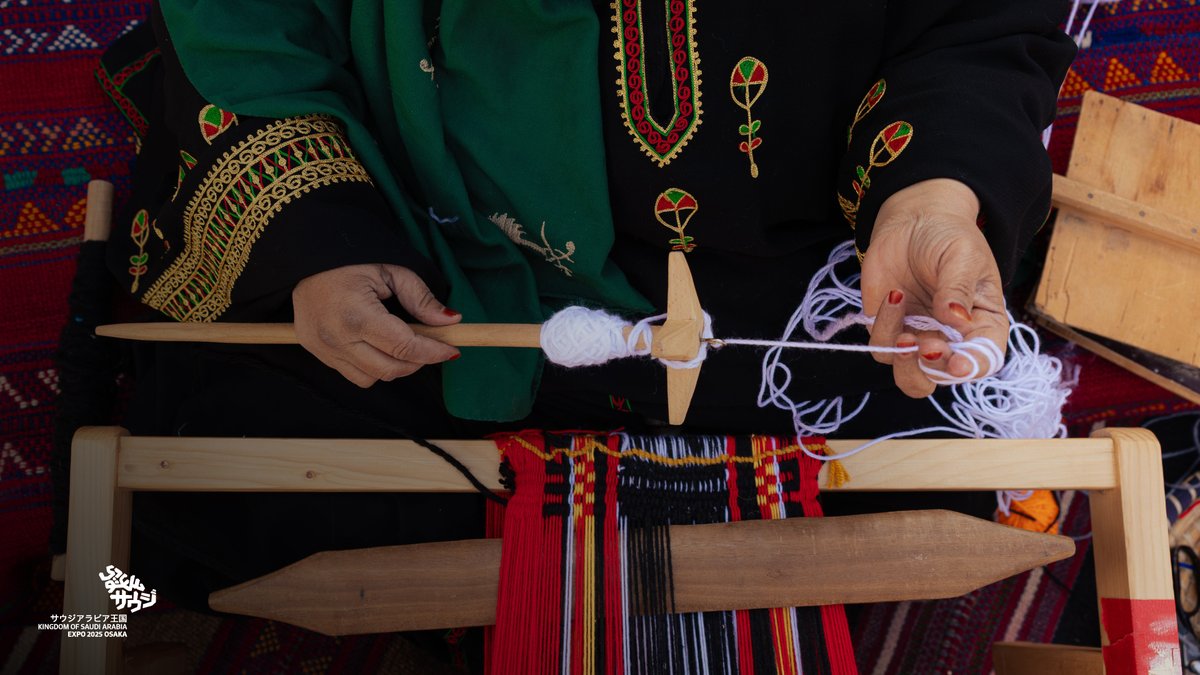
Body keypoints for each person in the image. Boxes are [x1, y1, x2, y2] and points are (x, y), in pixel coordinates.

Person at [95, 0, 1075, 616]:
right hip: (432, 258)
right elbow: (249, 26)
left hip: (804, 291)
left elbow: (983, 28)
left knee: (927, 461)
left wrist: (930, 199)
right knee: (222, 478)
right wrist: (323, 239)